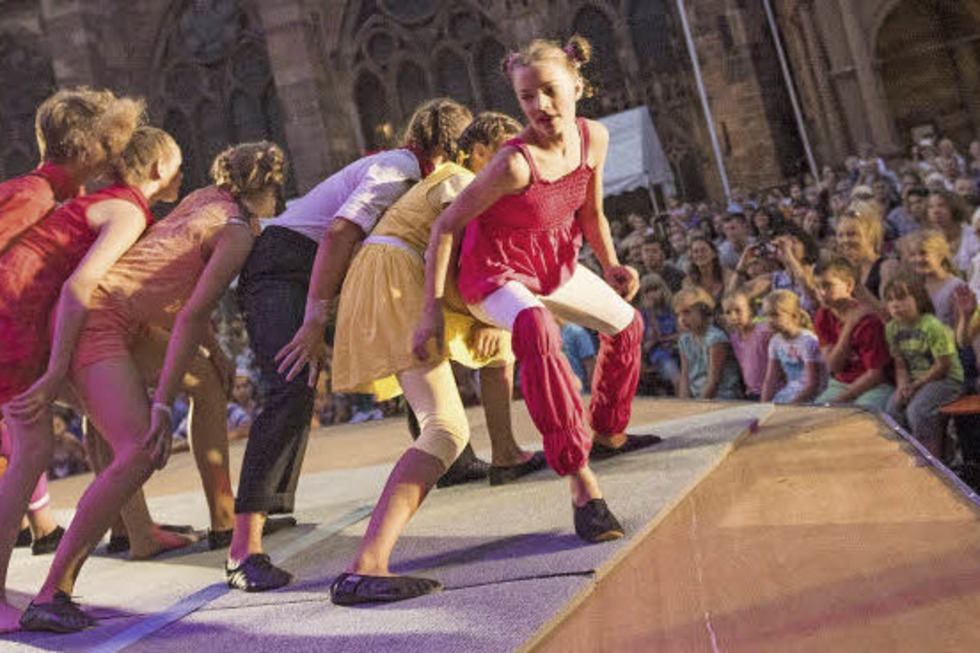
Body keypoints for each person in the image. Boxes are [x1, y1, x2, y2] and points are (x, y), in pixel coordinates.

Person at [331, 37, 654, 606]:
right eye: (527, 97)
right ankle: (582, 484)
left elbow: (592, 211)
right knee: (529, 334)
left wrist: (611, 263)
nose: (539, 107)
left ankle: (607, 431)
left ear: (577, 87)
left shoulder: (593, 139)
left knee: (626, 326)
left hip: (549, 264)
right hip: (493, 276)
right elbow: (446, 233)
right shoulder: (507, 164)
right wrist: (438, 313)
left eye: (549, 92)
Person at [18, 142, 289, 633]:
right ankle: (52, 594)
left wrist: (218, 353)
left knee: (206, 382)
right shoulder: (236, 232)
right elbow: (190, 314)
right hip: (99, 321)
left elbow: (180, 280)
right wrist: (162, 403)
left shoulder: (210, 198)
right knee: (141, 450)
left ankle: (220, 522)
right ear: (268, 192)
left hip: (123, 317)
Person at [227, 99, 473, 591]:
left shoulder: (415, 177)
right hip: (283, 265)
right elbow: (339, 232)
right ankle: (242, 551)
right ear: (448, 150)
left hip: (321, 270)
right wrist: (316, 317)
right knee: (291, 385)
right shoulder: (400, 168)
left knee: (401, 342)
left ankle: (453, 457)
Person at [1, 125, 179, 634]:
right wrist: (59, 369)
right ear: (157, 169)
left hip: (23, 318)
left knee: (40, 451)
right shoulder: (126, 210)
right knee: (32, 453)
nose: (182, 173)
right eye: (178, 163)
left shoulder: (102, 202)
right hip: (16, 321)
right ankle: (43, 591)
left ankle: (74, 575)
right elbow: (81, 285)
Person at [0, 87, 141, 252]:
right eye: (107, 144)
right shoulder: (33, 198)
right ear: (81, 145)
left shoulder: (70, 196)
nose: (115, 155)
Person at [883, 275, 963, 458]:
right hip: (916, 381)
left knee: (918, 411)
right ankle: (905, 455)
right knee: (892, 410)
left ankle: (932, 458)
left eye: (902, 298)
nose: (895, 305)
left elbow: (943, 366)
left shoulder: (931, 326)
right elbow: (901, 364)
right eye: (890, 300)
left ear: (918, 299)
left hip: (947, 379)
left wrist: (916, 385)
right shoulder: (891, 328)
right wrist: (902, 387)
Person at [812, 258, 894, 410]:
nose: (821, 293)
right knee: (817, 413)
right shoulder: (822, 316)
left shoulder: (869, 320)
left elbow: (876, 374)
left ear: (849, 285)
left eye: (828, 286)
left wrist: (842, 399)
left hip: (876, 385)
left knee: (859, 415)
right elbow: (834, 366)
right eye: (817, 287)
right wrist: (849, 327)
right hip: (841, 382)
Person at [675, 288, 743, 400]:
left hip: (722, 396)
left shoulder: (716, 338)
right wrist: (684, 403)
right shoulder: (684, 340)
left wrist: (698, 407)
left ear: (703, 311)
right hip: (697, 397)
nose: (682, 319)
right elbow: (685, 376)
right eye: (679, 314)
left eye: (687, 312)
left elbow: (713, 382)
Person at [760, 290, 825, 404]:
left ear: (794, 316)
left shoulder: (807, 341)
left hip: (810, 396)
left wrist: (791, 407)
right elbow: (770, 380)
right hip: (791, 392)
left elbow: (812, 385)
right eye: (766, 315)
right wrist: (763, 404)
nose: (769, 320)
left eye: (775, 315)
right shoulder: (775, 342)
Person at [907, 230, 968, 328]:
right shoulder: (914, 286)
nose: (918, 259)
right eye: (913, 254)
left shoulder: (957, 287)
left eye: (923, 253)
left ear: (940, 255)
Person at [722, 291, 771, 401]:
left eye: (738, 311)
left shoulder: (763, 333)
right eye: (728, 313)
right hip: (751, 392)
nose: (733, 317)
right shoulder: (734, 338)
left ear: (750, 310)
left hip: (770, 391)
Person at [927, 189, 978, 274]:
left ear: (954, 207)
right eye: (930, 207)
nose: (936, 211)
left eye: (941, 205)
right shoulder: (928, 242)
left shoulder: (974, 234)